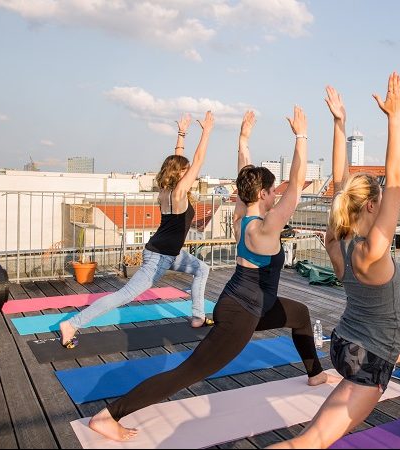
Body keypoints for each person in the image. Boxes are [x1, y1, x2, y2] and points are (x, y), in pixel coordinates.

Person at [86, 107, 335, 442]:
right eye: (272, 190)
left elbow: (247, 176)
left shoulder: (241, 215)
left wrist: (243, 139)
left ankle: (315, 374)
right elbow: (295, 188)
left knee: (300, 315)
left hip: (248, 302)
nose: (277, 194)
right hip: (242, 314)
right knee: (186, 373)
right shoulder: (264, 228)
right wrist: (301, 137)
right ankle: (108, 416)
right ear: (263, 194)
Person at [270, 74, 400, 450]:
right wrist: (395, 119)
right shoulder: (372, 250)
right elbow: (397, 178)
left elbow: (340, 184)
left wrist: (339, 124)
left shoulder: (340, 237)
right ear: (372, 206)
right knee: (307, 444)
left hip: (345, 344)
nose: (387, 202)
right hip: (370, 355)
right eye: (381, 199)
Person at [59, 111, 216, 348]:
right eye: (186, 171)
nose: (191, 173)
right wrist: (206, 132)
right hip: (158, 258)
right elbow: (198, 160)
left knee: (201, 269)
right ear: (180, 175)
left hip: (170, 253)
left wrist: (182, 134)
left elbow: (178, 160)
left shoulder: (168, 191)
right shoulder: (178, 193)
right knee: (123, 296)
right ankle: (72, 324)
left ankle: (197, 316)